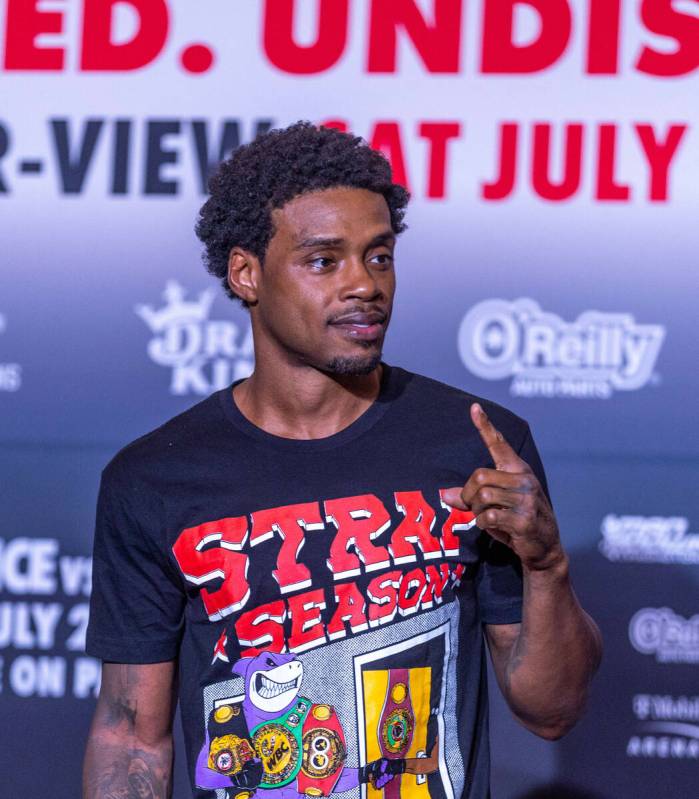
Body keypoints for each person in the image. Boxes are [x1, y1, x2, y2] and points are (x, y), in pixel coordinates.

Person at [83, 121, 601, 799]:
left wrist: (545, 562)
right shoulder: (153, 478)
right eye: (325, 260)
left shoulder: (478, 445)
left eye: (378, 256)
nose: (364, 284)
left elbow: (551, 709)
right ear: (246, 273)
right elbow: (130, 737)